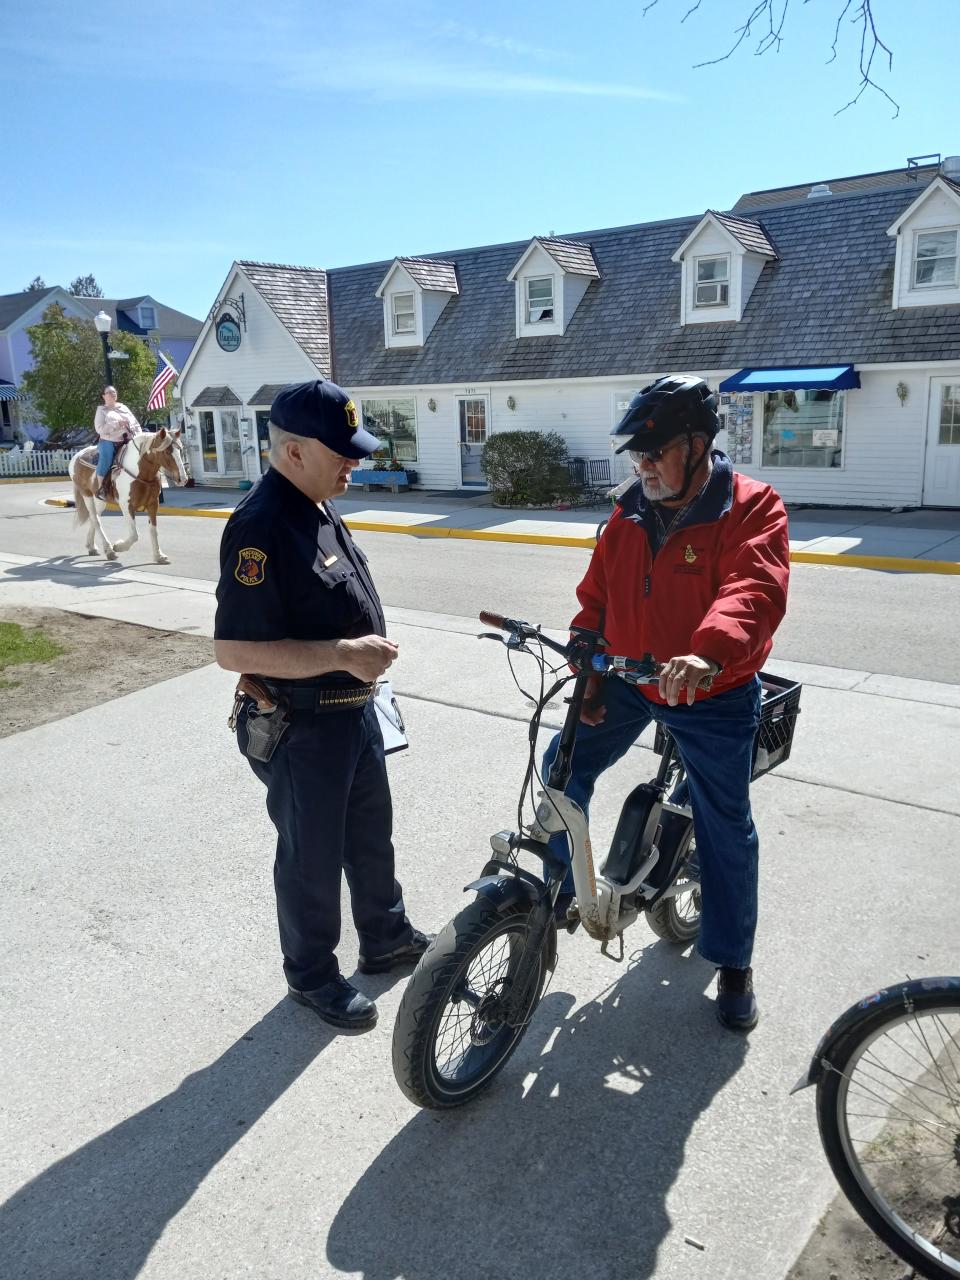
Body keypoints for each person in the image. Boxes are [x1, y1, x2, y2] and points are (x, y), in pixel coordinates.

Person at [544, 374, 790, 1031]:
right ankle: (561, 892)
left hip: (711, 689)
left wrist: (709, 651)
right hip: (629, 678)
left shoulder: (751, 506)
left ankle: (733, 962)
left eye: (655, 452)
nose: (644, 465)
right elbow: (595, 593)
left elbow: (754, 589)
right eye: (638, 455)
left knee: (723, 824)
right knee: (561, 770)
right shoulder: (627, 511)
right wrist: (588, 661)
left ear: (700, 444)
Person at [213, 379, 430, 1032]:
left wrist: (356, 666)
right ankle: (311, 974)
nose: (353, 462)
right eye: (341, 451)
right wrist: (343, 652)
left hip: (353, 712)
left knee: (370, 834)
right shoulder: (261, 525)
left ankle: (384, 935)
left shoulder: (316, 501)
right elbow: (233, 650)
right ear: (294, 450)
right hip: (304, 725)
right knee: (310, 858)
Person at [93, 386, 140, 500]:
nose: (112, 394)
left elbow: (135, 423)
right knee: (106, 459)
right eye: (109, 392)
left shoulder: (123, 407)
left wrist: (138, 435)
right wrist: (118, 424)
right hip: (109, 441)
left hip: (127, 439)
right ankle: (102, 488)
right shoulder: (102, 410)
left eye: (114, 392)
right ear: (103, 396)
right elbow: (99, 429)